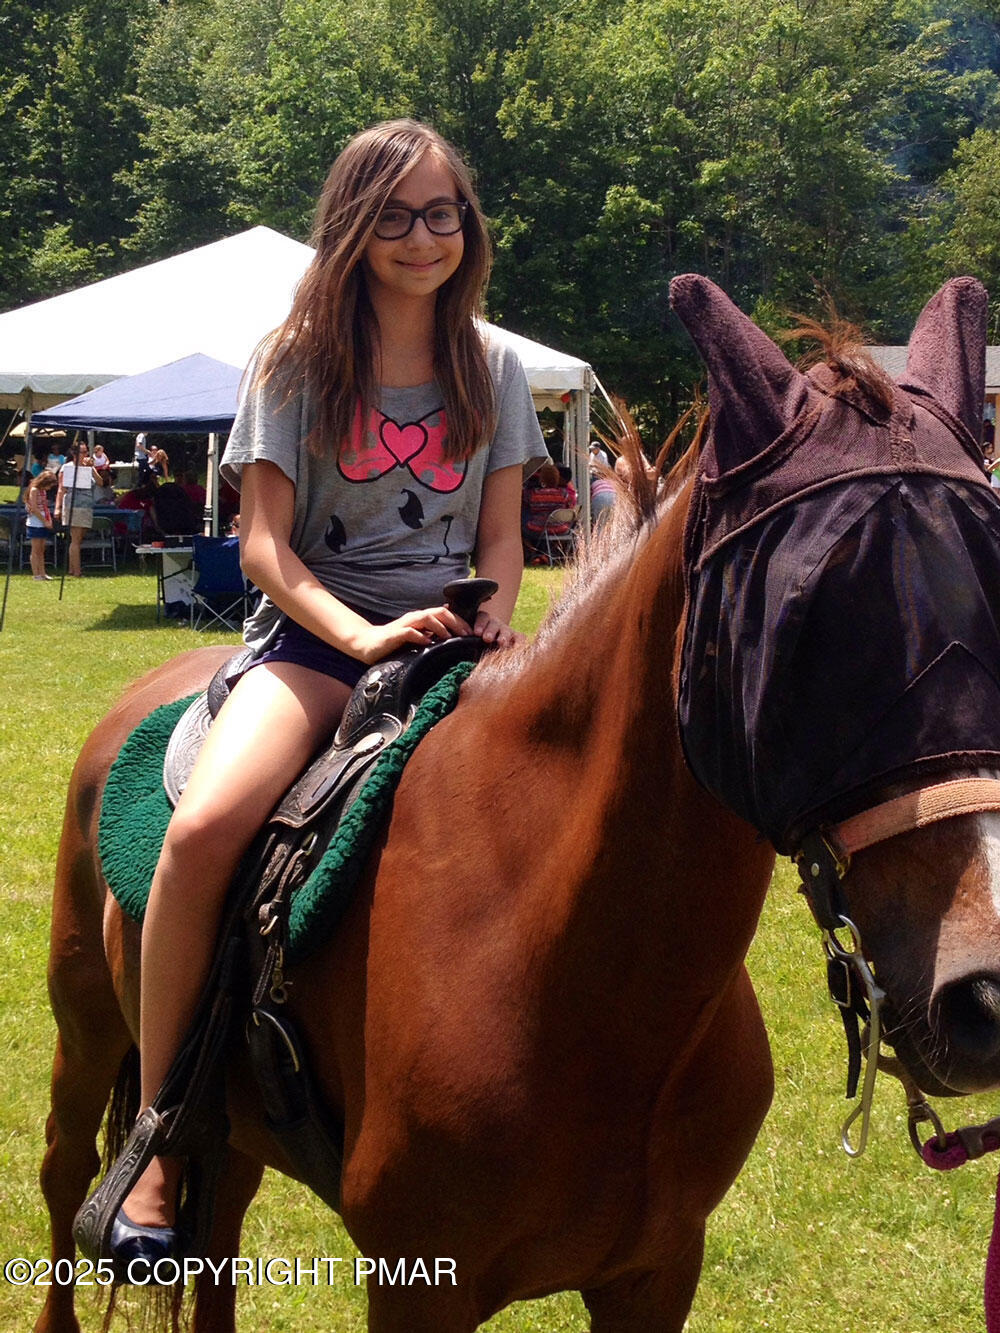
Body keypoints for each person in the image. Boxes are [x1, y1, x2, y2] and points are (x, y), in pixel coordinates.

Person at [101, 118, 546, 1263]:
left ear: (468, 225)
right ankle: (157, 1137)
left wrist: (486, 616)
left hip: (459, 635)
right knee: (199, 831)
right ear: (353, 224)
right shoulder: (293, 358)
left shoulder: (494, 364)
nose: (422, 236)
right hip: (316, 639)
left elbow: (499, 535)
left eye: (443, 211)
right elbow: (262, 546)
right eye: (394, 214)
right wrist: (365, 633)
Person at [54, 440, 97, 577]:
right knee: (76, 539)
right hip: (74, 505)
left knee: (78, 539)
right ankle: (77, 572)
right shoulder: (67, 467)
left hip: (87, 505)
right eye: (83, 452)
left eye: (86, 452)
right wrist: (58, 508)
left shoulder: (88, 467)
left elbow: (101, 482)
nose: (85, 455)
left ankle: (72, 569)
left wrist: (92, 468)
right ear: (74, 453)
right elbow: (61, 489)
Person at [521, 460, 576, 560]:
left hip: (537, 529)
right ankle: (547, 553)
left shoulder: (533, 494)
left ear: (541, 478)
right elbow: (570, 506)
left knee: (519, 526)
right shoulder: (564, 494)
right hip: (561, 529)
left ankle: (533, 552)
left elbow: (524, 502)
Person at [24, 469, 58, 580]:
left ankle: (43, 573)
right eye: (49, 485)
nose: (49, 488)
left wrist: (48, 519)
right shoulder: (34, 490)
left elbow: (44, 506)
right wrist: (44, 521)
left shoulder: (43, 491)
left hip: (43, 518)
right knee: (35, 549)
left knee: (41, 549)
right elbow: (34, 508)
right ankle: (36, 574)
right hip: (35, 521)